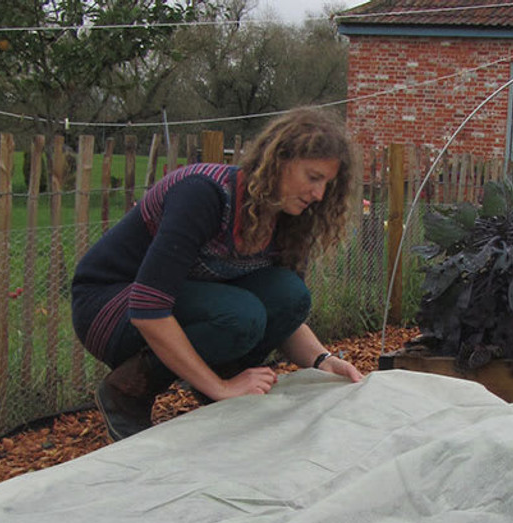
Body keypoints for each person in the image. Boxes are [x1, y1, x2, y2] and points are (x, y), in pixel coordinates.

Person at [71, 107, 364, 441]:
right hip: (109, 307)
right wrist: (222, 388)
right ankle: (127, 392)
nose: (319, 195)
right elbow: (148, 309)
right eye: (313, 177)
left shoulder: (288, 218)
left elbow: (285, 314)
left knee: (290, 295)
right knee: (241, 316)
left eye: (327, 183)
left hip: (180, 302)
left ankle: (221, 384)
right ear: (279, 159)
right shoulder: (204, 194)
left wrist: (322, 360)